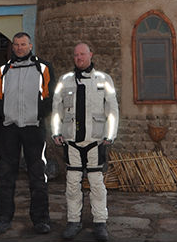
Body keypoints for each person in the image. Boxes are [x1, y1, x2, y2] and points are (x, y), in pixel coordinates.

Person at [51, 42, 119, 242]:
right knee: (72, 184)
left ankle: (100, 222)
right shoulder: (65, 81)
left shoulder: (104, 80)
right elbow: (56, 109)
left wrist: (110, 135)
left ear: (91, 55)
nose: (79, 58)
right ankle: (73, 221)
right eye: (76, 55)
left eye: (82, 54)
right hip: (72, 141)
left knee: (97, 184)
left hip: (95, 142)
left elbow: (112, 110)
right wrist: (56, 132)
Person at [0, 32, 54, 235]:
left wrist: (37, 114)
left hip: (33, 128)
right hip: (9, 128)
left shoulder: (43, 68)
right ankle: (3, 219)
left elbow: (49, 96)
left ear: (30, 45)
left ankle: (41, 220)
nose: (19, 48)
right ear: (12, 47)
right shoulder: (3, 70)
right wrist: (5, 113)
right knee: (6, 176)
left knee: (37, 176)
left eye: (23, 44)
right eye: (16, 44)